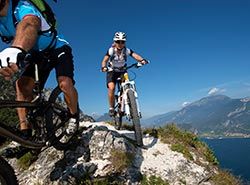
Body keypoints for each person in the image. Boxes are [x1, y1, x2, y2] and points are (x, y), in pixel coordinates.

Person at [0, 0, 79, 157]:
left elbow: (30, 23)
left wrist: (16, 48)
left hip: (57, 47)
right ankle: (25, 132)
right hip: (37, 54)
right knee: (21, 86)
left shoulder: (21, 6)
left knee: (65, 83)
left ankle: (73, 115)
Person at [101, 31, 148, 117]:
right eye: (118, 41)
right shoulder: (111, 50)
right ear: (115, 42)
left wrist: (142, 60)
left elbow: (135, 55)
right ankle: (111, 108)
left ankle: (129, 102)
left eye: (122, 41)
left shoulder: (126, 50)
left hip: (123, 70)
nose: (120, 43)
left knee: (127, 84)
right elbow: (104, 60)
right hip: (112, 71)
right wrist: (104, 67)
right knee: (111, 88)